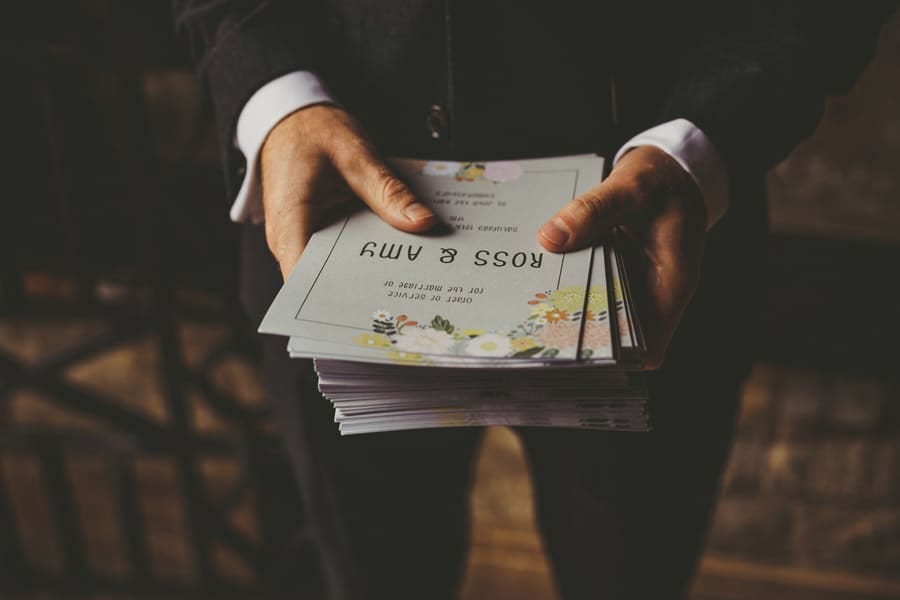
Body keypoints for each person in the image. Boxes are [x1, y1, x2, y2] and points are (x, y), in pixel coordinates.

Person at [174, 2, 895, 597]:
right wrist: (274, 96)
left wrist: (699, 143)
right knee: (370, 576)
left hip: (648, 249)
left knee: (630, 577)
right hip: (336, 222)